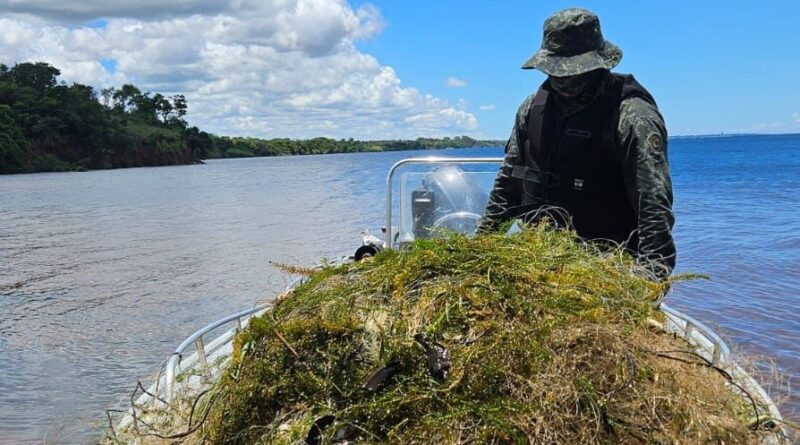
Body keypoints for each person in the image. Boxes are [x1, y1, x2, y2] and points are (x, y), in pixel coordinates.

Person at [477, 8, 676, 280]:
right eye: (555, 70)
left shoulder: (632, 115)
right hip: (536, 258)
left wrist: (652, 275)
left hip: (607, 266)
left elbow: (653, 202)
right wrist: (481, 247)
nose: (562, 79)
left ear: (597, 64)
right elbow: (507, 185)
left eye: (572, 71)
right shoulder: (531, 109)